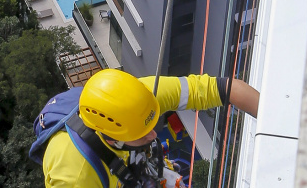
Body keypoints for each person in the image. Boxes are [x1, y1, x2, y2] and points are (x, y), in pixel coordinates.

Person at [42, 69, 260, 187]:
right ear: (112, 138)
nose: (154, 134)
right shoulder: (75, 176)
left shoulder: (141, 97)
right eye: (140, 133)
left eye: (152, 123)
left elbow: (224, 89)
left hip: (145, 171)